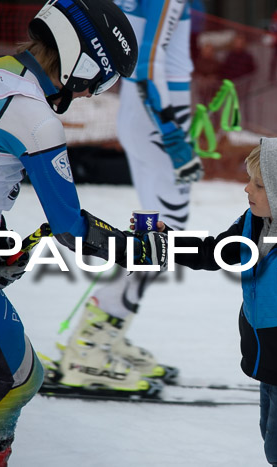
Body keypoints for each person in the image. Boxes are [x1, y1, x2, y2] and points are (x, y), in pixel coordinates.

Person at [0, 0, 166, 465]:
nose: (97, 92)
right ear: (84, 59)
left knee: (20, 379)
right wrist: (138, 248)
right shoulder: (34, 116)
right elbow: (71, 229)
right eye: (104, 77)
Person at [158, 136, 277, 465]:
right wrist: (167, 239)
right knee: (273, 436)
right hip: (268, 359)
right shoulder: (254, 225)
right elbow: (213, 252)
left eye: (257, 184)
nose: (247, 190)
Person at [59, 0, 203, 387]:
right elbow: (148, 64)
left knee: (157, 234)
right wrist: (173, 133)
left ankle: (105, 333)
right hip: (158, 115)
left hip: (146, 112)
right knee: (165, 239)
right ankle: (93, 340)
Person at [220, 34, 257, 117]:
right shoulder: (230, 55)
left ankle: (245, 123)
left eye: (240, 43)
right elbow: (224, 69)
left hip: (243, 85)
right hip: (232, 85)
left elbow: (252, 70)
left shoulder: (248, 56)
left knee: (244, 106)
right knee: (230, 105)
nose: (238, 45)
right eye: (237, 43)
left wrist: (246, 80)